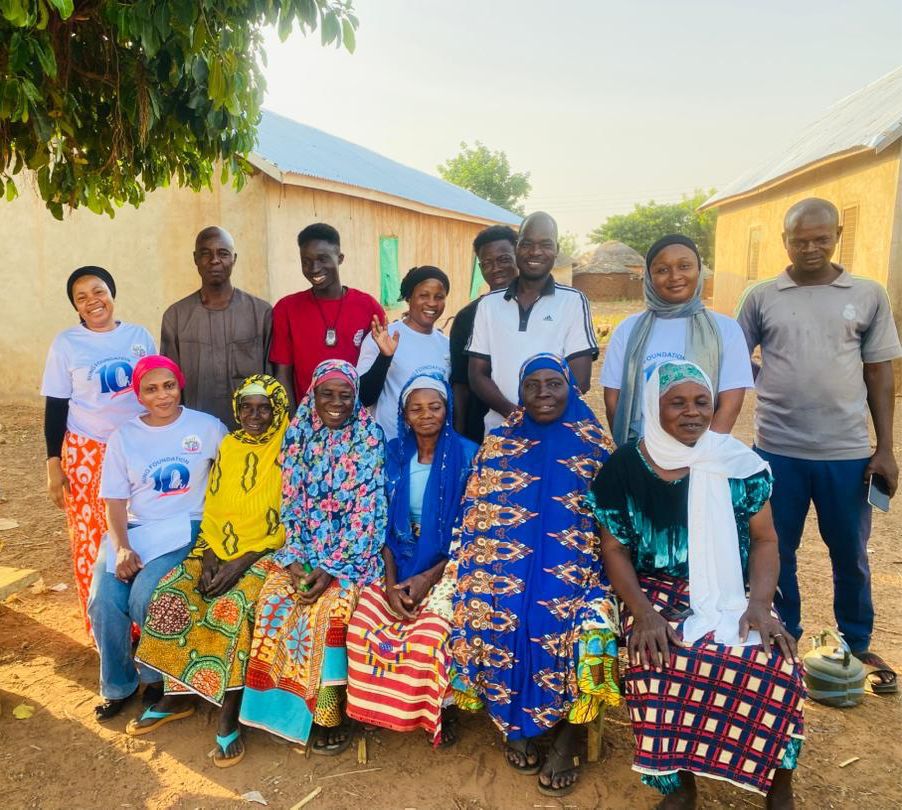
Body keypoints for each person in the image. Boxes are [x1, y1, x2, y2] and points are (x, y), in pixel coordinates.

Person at [591, 361, 805, 808]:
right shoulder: (625, 467)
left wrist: (760, 604)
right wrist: (643, 613)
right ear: (654, 407)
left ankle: (777, 781)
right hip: (653, 591)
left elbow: (766, 540)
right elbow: (614, 549)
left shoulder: (737, 463)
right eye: (677, 402)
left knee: (776, 663)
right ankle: (679, 784)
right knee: (657, 658)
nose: (692, 412)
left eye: (701, 402)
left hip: (734, 589)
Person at [737, 197, 901, 695]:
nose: (810, 247)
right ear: (785, 240)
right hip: (776, 450)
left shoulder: (868, 294)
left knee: (849, 552)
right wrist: (770, 383)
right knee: (775, 547)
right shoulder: (761, 296)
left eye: (820, 238)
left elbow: (880, 373)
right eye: (800, 239)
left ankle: (856, 641)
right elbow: (734, 358)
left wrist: (886, 448)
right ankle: (783, 634)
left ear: (837, 235)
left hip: (846, 453)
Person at [451, 354, 617, 798]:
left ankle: (569, 738)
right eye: (532, 385)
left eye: (553, 384)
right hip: (503, 567)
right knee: (494, 613)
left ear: (570, 388)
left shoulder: (596, 447)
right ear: (520, 393)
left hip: (583, 572)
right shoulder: (498, 446)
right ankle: (513, 722)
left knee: (578, 627)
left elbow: (615, 529)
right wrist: (488, 575)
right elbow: (476, 522)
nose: (543, 393)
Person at [127, 375, 290, 767]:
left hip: (266, 552)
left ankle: (228, 715)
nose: (254, 416)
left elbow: (293, 517)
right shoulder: (230, 445)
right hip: (218, 544)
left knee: (232, 609)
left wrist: (242, 561)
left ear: (278, 411)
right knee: (171, 593)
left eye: (264, 408)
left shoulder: (290, 447)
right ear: (237, 410)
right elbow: (214, 503)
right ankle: (176, 696)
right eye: (247, 408)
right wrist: (211, 553)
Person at [239, 360, 386, 751]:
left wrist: (329, 569)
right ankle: (279, 712)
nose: (336, 403)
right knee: (274, 602)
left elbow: (369, 514)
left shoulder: (369, 437)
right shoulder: (298, 433)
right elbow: (290, 502)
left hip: (353, 557)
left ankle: (327, 715)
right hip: (301, 550)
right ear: (312, 395)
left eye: (345, 395)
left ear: (356, 397)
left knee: (332, 611)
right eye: (327, 394)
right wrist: (295, 562)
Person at [87, 356, 227, 722]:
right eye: (151, 389)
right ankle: (118, 685)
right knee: (103, 600)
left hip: (186, 527)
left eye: (169, 386)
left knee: (146, 592)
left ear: (180, 386)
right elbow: (114, 500)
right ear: (139, 395)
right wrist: (121, 547)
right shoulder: (124, 437)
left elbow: (230, 478)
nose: (162, 395)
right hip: (136, 530)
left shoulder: (208, 427)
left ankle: (156, 678)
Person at [346, 372, 477, 746]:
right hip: (396, 556)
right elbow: (380, 522)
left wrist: (428, 577)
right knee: (363, 623)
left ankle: (438, 708)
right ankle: (378, 707)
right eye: (416, 409)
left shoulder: (469, 455)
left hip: (450, 560)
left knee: (432, 632)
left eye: (434, 407)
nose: (426, 415)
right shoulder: (392, 454)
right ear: (404, 415)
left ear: (447, 409)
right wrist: (390, 584)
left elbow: (473, 529)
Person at [41, 266, 156, 634]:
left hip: (136, 446)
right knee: (92, 536)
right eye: (82, 297)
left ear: (112, 293)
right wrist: (53, 464)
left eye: (99, 291)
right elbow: (56, 405)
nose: (93, 301)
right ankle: (103, 626)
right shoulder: (67, 343)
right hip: (87, 450)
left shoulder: (139, 336)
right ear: (76, 307)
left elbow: (156, 387)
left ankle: (139, 625)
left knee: (137, 530)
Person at [602, 234, 752, 445]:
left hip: (702, 452)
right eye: (662, 270)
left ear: (699, 270)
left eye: (684, 266)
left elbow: (730, 404)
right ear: (649, 277)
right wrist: (635, 453)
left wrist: (703, 454)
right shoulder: (628, 329)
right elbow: (613, 399)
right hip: (642, 449)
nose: (674, 276)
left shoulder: (725, 329)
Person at [466, 212, 598, 434]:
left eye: (545, 244)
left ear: (556, 249)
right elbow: (477, 375)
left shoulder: (573, 301)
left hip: (556, 431)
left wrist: (540, 415)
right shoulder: (488, 305)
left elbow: (580, 380)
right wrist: (515, 415)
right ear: (516, 248)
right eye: (527, 244)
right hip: (502, 431)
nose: (535, 252)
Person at [161, 226, 272, 428]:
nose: (214, 260)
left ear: (234, 259)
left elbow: (272, 379)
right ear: (195, 258)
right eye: (206, 253)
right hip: (195, 432)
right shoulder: (176, 316)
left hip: (251, 431)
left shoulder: (261, 313)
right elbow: (169, 383)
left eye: (223, 253)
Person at [270, 223, 385, 408]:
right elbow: (283, 373)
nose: (314, 268)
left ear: (340, 258)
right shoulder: (286, 309)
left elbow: (379, 367)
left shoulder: (368, 307)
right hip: (306, 418)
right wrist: (292, 419)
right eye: (306, 261)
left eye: (322, 259)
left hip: (356, 416)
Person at [357, 266, 452, 441]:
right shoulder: (383, 337)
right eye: (423, 295)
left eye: (439, 297)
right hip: (387, 442)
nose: (432, 303)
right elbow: (363, 397)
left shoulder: (447, 345)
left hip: (431, 447)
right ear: (409, 297)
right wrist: (385, 357)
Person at [449, 226, 519, 443]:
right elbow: (461, 383)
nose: (495, 268)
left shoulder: (541, 309)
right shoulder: (467, 317)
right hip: (482, 431)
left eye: (504, 259)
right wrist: (459, 436)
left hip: (544, 422)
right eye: (487, 263)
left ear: (519, 256)